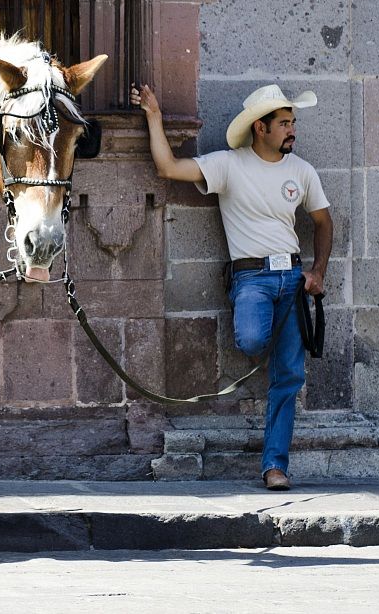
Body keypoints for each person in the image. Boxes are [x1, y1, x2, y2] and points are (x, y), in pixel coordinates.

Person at [132, 83, 333, 491]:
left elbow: (324, 222)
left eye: (293, 123)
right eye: (284, 124)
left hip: (293, 280)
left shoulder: (302, 171)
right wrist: (154, 115)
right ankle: (267, 343)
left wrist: (318, 273)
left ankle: (275, 466)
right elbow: (169, 168)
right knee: (252, 340)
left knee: (289, 376)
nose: (292, 131)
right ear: (260, 128)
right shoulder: (228, 165)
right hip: (251, 278)